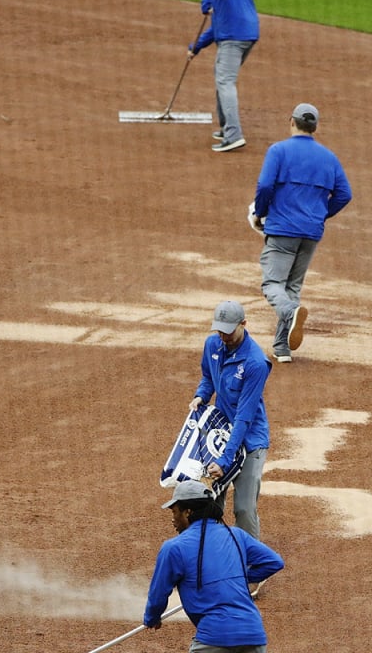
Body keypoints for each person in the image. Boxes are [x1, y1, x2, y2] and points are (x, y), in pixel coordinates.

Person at [251, 103, 352, 363]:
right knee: (292, 286)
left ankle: (290, 312)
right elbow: (344, 194)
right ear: (314, 127)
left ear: (291, 121)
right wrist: (321, 214)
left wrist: (259, 213)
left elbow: (264, 185)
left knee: (273, 284)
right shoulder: (329, 158)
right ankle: (282, 348)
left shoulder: (279, 151)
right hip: (311, 232)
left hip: (283, 228)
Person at [144, 479, 285, 653]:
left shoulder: (174, 548)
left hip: (214, 639)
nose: (173, 519)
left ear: (187, 512)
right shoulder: (237, 535)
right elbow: (274, 562)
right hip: (254, 635)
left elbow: (158, 593)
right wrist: (236, 578)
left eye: (174, 512)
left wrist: (151, 618)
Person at [190, 301, 271, 540]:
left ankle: (253, 565)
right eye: (219, 330)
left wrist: (225, 459)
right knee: (209, 501)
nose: (223, 336)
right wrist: (201, 395)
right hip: (220, 432)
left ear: (243, 324)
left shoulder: (256, 363)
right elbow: (208, 375)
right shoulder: (212, 344)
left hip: (249, 439)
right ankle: (212, 555)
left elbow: (244, 418)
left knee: (244, 509)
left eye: (228, 330)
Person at [189, 0, 259, 153]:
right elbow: (217, 26)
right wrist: (196, 46)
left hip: (234, 36)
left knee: (225, 81)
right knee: (222, 76)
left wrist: (205, 2)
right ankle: (226, 126)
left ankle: (233, 135)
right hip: (247, 34)